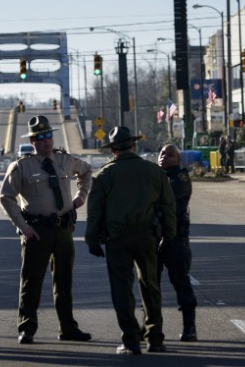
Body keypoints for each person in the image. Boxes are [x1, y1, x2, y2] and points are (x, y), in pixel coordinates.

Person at [0, 115, 94, 345]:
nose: (46, 141)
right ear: (32, 140)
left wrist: (81, 196)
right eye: (40, 137)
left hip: (63, 229)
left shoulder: (64, 160)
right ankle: (27, 328)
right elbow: (6, 197)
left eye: (48, 135)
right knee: (31, 282)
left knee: (64, 281)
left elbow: (87, 171)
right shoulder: (22, 166)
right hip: (37, 231)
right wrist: (23, 227)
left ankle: (67, 327)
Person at [85, 126, 176, 355]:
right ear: (133, 145)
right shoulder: (154, 171)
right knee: (150, 287)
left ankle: (131, 340)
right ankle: (155, 338)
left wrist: (92, 240)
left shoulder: (104, 175)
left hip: (117, 239)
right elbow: (168, 205)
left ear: (113, 149)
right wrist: (169, 234)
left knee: (122, 290)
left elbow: (95, 212)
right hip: (147, 236)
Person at [156, 144, 198, 341]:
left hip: (175, 239)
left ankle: (189, 327)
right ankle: (151, 326)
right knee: (150, 283)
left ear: (178, 159)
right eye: (162, 153)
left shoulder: (179, 178)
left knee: (180, 281)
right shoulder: (157, 176)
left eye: (169, 154)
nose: (164, 157)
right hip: (154, 237)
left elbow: (165, 198)